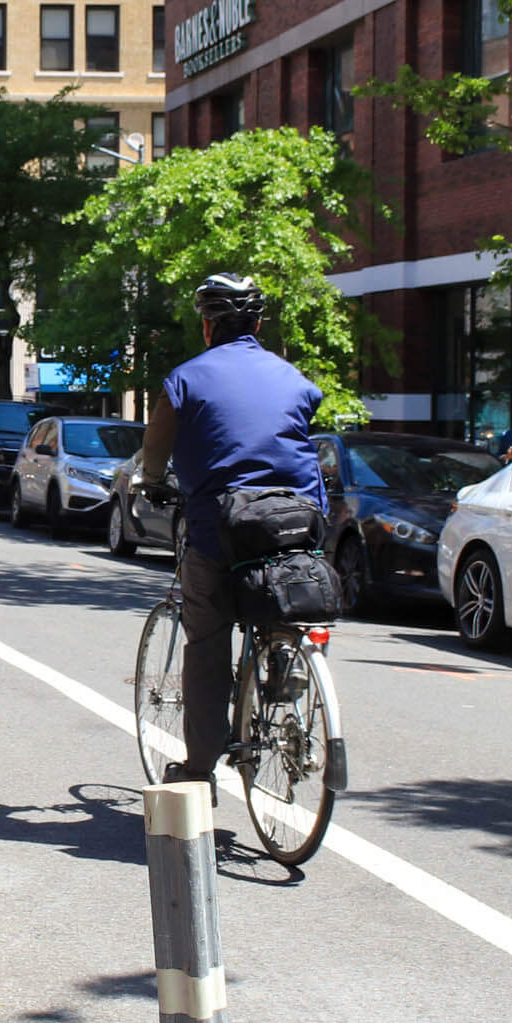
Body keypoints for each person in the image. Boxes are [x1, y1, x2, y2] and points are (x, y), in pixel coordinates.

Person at [137, 274, 328, 787]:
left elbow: (156, 446)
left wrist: (152, 481)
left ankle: (199, 768)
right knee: (291, 592)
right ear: (259, 324)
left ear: (207, 327)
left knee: (207, 640)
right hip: (298, 518)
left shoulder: (187, 379)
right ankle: (286, 650)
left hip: (222, 522)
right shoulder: (291, 377)